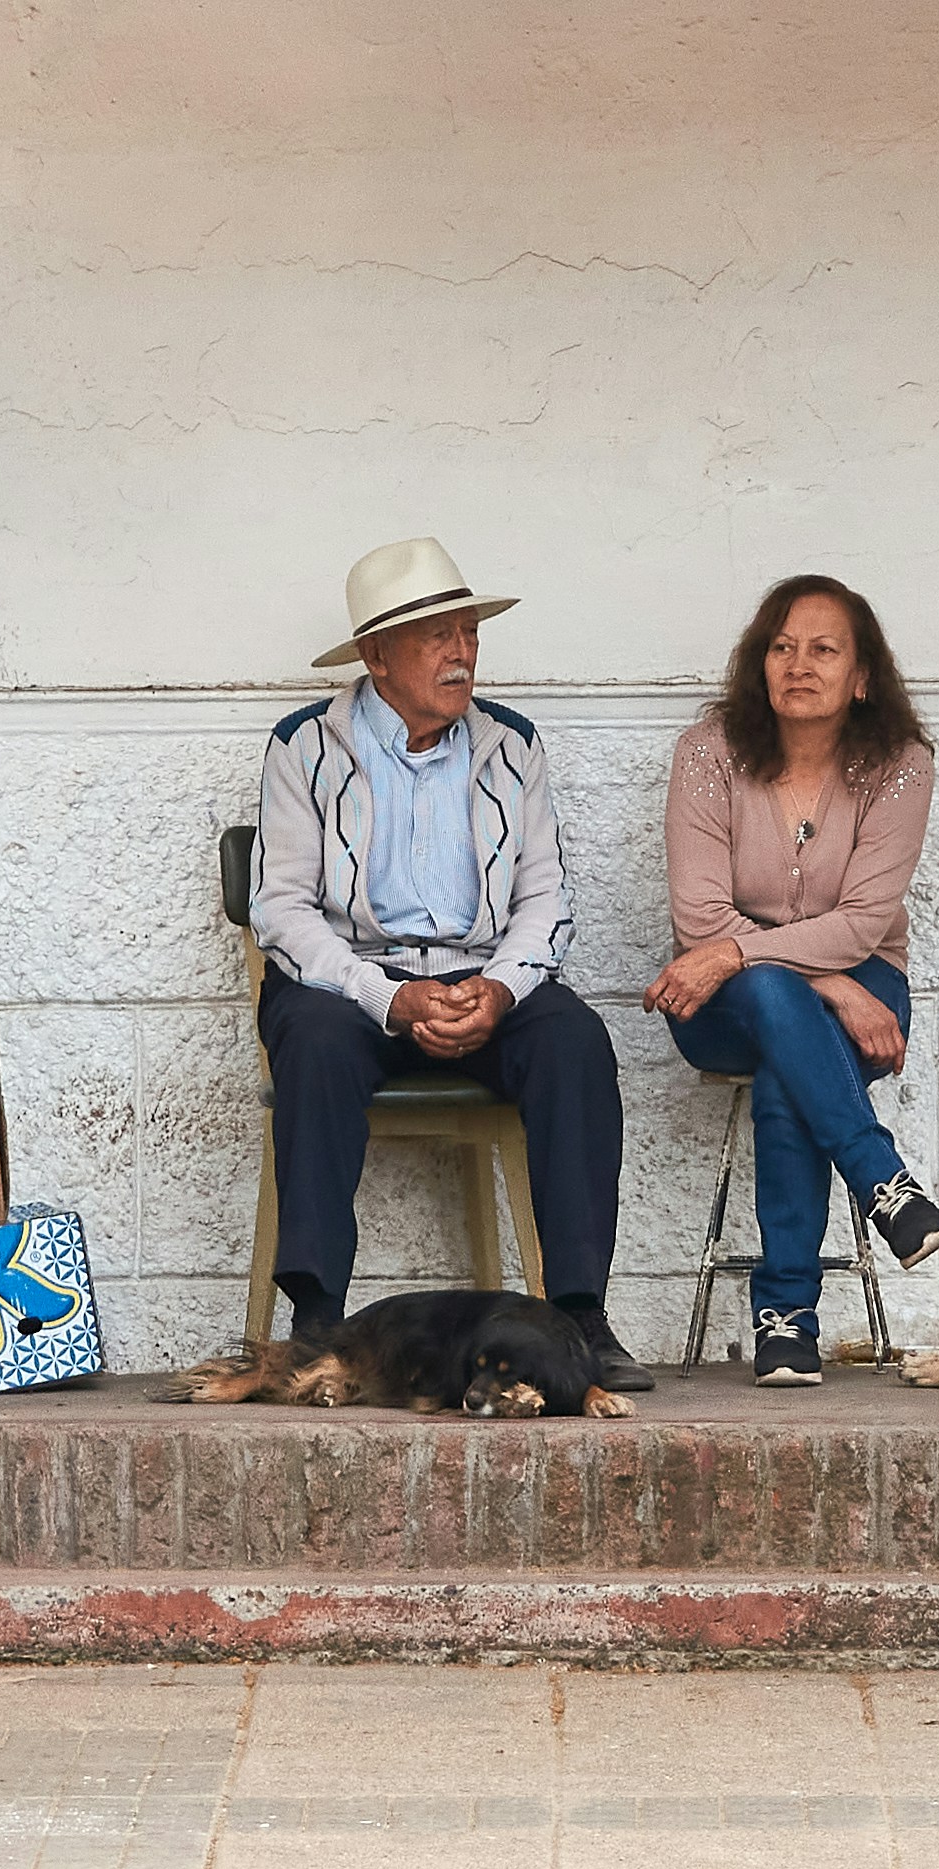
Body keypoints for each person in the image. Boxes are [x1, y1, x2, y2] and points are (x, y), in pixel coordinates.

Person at [249, 535, 650, 1389]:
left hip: (481, 978)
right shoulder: (303, 748)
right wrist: (383, 996)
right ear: (376, 655)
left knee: (573, 1040)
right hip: (355, 983)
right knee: (313, 1040)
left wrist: (501, 988)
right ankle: (318, 1322)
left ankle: (581, 1316)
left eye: (468, 632)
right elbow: (278, 908)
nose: (461, 652)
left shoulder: (513, 745)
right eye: (437, 636)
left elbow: (546, 896)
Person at [646, 575, 939, 1385]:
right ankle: (882, 1181)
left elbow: (861, 923)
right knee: (782, 1003)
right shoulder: (708, 755)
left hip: (856, 980)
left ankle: (786, 1324)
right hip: (718, 1001)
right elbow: (698, 920)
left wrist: (753, 957)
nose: (799, 665)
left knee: (788, 1056)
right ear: (759, 665)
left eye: (823, 649)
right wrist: (833, 987)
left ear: (862, 676)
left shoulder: (899, 767)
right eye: (781, 647)